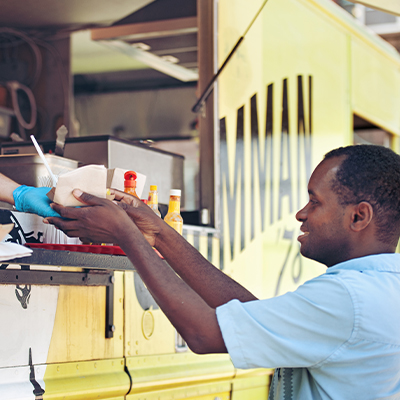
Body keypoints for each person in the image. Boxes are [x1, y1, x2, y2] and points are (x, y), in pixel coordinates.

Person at [44, 144, 400, 400]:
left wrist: (125, 234)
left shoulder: (349, 300)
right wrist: (159, 234)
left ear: (359, 216)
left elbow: (202, 334)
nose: (301, 214)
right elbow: (247, 315)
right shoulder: (380, 289)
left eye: (315, 201)